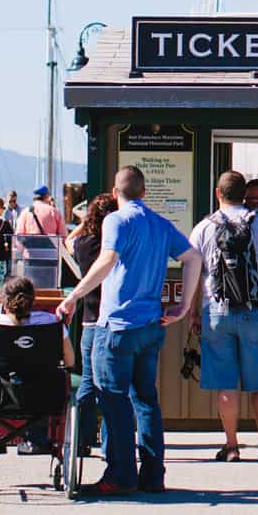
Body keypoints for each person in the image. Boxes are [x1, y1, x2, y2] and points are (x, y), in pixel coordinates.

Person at [55, 165, 200, 497]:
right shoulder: (161, 225)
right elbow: (193, 257)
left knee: (114, 400)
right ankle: (152, 474)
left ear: (115, 192)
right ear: (145, 192)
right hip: (151, 325)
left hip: (117, 325)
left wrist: (74, 296)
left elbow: (107, 260)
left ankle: (120, 475)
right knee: (145, 399)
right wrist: (182, 307)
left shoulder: (115, 220)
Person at [188, 169, 258, 462]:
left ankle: (232, 446)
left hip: (216, 311)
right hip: (254, 310)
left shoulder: (203, 227)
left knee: (226, 382)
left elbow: (195, 272)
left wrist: (193, 311)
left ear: (218, 194)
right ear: (244, 195)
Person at [0, 275, 74, 451]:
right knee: (49, 378)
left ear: (3, 300)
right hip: (43, 396)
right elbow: (70, 362)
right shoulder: (53, 323)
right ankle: (38, 438)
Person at [66, 192, 120, 452]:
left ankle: (82, 437)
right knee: (113, 385)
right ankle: (109, 441)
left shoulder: (84, 243)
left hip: (89, 319)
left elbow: (67, 240)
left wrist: (84, 222)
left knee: (88, 380)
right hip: (111, 317)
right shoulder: (114, 245)